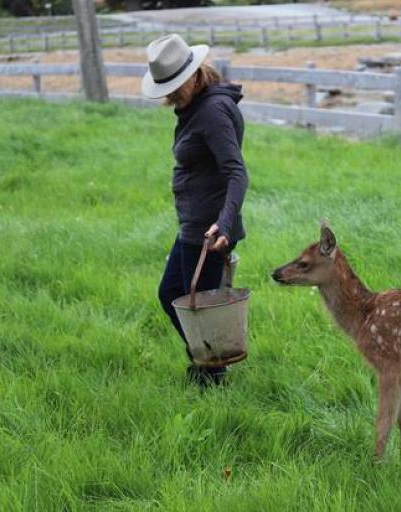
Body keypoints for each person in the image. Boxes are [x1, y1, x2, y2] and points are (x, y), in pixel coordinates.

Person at [141, 34, 248, 387]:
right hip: (193, 224)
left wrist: (225, 224)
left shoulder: (212, 111)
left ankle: (212, 375)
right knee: (173, 294)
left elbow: (236, 172)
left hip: (210, 230)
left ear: (193, 73)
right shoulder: (193, 108)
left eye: (175, 84)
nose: (172, 94)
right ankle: (206, 364)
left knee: (195, 305)